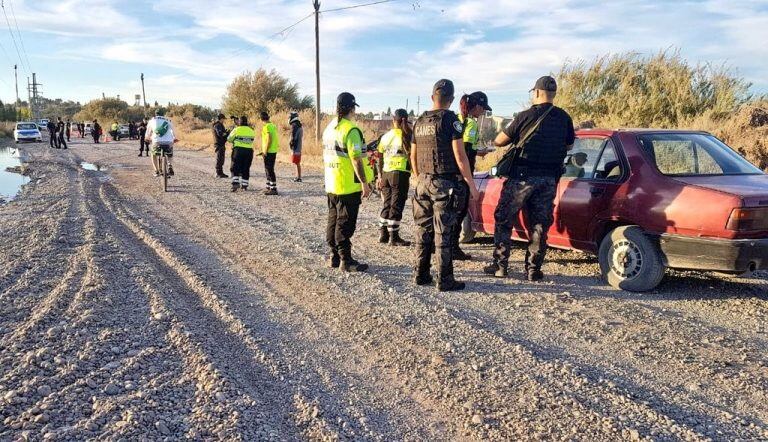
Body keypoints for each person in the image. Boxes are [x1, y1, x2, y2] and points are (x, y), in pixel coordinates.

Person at [484, 75, 575, 281]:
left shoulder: (525, 116)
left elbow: (500, 141)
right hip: (548, 179)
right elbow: (569, 146)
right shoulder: (564, 118)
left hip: (522, 178)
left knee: (504, 218)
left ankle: (500, 266)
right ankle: (533, 269)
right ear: (553, 94)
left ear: (536, 92)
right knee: (540, 224)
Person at [411, 79, 479, 292]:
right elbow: (460, 157)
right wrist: (471, 185)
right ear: (450, 100)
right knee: (444, 233)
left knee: (423, 230)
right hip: (444, 184)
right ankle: (445, 279)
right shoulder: (451, 120)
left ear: (433, 97)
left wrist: (418, 177)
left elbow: (412, 155)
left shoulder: (420, 121)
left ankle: (421, 274)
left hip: (422, 181)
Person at [323, 92, 372, 272]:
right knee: (345, 223)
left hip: (332, 182)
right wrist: (364, 183)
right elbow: (356, 159)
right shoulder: (351, 130)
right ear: (351, 108)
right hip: (347, 185)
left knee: (333, 220)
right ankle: (346, 260)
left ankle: (334, 256)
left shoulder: (329, 128)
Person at [451, 91, 492, 261]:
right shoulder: (470, 124)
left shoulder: (456, 120)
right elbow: (465, 150)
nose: (483, 113)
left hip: (450, 172)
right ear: (476, 106)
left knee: (449, 211)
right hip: (463, 173)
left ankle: (444, 246)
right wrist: (479, 151)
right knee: (460, 211)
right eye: (482, 109)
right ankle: (453, 248)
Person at [375, 108, 412, 247]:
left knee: (387, 203)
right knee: (396, 205)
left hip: (386, 173)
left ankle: (383, 234)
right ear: (406, 120)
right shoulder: (407, 135)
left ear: (393, 120)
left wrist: (379, 175)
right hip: (400, 174)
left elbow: (379, 156)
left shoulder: (386, 136)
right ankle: (394, 237)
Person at [227, 115, 255, 191]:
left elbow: (229, 139)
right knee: (246, 168)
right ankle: (245, 185)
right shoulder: (251, 130)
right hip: (249, 151)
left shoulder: (236, 129)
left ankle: (235, 184)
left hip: (238, 151)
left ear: (240, 122)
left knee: (235, 167)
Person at [145, 109, 176, 177]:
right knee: (170, 153)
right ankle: (170, 165)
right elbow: (173, 131)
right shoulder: (168, 120)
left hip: (157, 142)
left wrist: (147, 138)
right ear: (163, 114)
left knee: (153, 154)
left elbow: (147, 133)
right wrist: (174, 138)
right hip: (168, 142)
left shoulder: (152, 121)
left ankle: (156, 171)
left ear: (155, 114)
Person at [260, 112, 279, 195]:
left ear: (261, 119)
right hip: (273, 150)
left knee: (269, 169)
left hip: (269, 151)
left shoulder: (266, 127)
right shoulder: (273, 126)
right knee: (268, 169)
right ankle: (269, 186)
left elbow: (268, 139)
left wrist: (265, 151)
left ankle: (273, 189)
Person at [289, 112, 303, 182]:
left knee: (296, 162)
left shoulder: (294, 126)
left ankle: (299, 177)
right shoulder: (299, 125)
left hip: (296, 147)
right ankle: (298, 176)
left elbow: (293, 137)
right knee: (297, 162)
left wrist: (291, 145)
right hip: (299, 146)